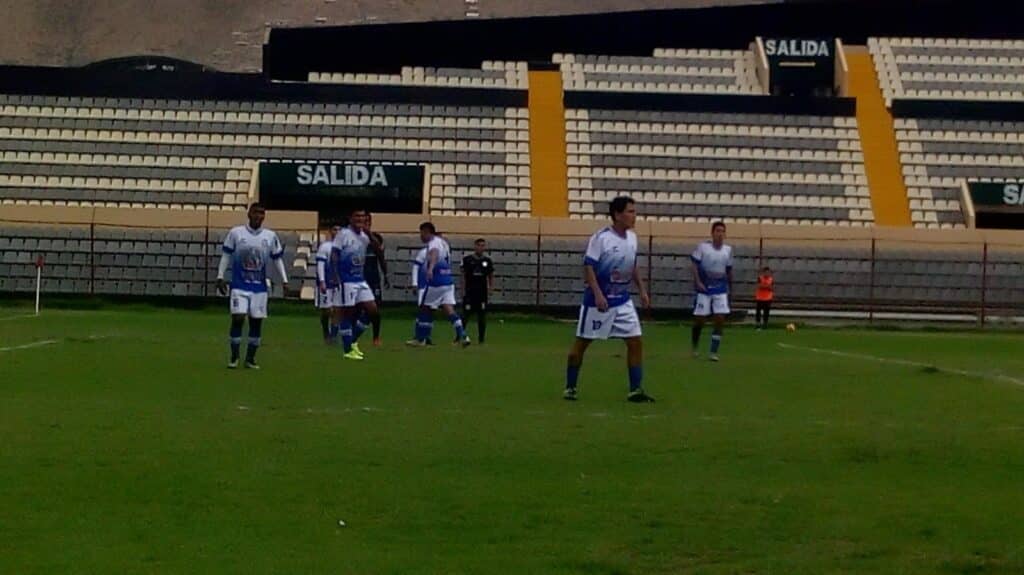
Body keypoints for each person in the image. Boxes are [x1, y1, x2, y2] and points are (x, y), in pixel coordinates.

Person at [564, 196, 654, 403]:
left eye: (634, 211)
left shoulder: (632, 238)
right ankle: (570, 386)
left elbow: (633, 265)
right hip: (599, 302)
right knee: (582, 344)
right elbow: (588, 266)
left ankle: (635, 389)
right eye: (630, 211)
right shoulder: (601, 238)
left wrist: (642, 290)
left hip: (622, 300)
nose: (634, 216)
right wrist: (597, 294)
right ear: (617, 214)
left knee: (635, 342)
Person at [216, 202, 288, 369]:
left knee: (256, 322)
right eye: (255, 212)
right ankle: (234, 357)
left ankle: (250, 359)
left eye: (262, 213)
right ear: (249, 214)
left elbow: (277, 259)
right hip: (239, 285)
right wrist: (220, 277)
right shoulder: (236, 233)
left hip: (259, 287)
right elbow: (226, 255)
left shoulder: (270, 236)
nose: (258, 216)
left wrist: (284, 280)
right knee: (238, 318)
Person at [405, 222, 470, 347]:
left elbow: (434, 254)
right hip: (448, 281)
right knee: (449, 309)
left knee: (425, 308)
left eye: (421, 233)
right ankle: (463, 335)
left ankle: (420, 339)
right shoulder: (444, 243)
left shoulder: (433, 243)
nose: (420, 236)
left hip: (436, 282)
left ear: (427, 231)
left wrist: (430, 269)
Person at [331, 208, 381, 361]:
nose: (360, 219)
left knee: (373, 310)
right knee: (348, 312)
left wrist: (369, 232)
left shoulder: (364, 236)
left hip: (360, 279)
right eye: (357, 216)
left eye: (362, 216)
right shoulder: (343, 234)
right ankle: (348, 349)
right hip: (347, 280)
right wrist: (335, 275)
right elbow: (335, 254)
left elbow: (378, 247)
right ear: (350, 218)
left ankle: (352, 340)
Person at [690, 221, 733, 362]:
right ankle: (694, 346)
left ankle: (713, 351)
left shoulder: (728, 250)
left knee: (720, 319)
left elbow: (729, 269)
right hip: (705, 288)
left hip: (720, 289)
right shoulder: (703, 247)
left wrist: (729, 287)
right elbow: (694, 265)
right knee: (700, 320)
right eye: (717, 231)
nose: (720, 234)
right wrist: (697, 282)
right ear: (712, 233)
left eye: (722, 231)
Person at [362, 212, 390, 346]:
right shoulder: (353, 239)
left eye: (368, 221)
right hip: (358, 278)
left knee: (375, 309)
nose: (366, 224)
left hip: (373, 277)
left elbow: (380, 256)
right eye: (363, 221)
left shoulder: (376, 237)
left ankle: (376, 337)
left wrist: (386, 275)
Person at [461, 238, 495, 344]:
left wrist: (491, 287)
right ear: (475, 246)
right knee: (465, 316)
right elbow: (463, 276)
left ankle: (481, 339)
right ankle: (460, 336)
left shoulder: (487, 261)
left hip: (482, 293)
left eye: (483, 246)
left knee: (482, 316)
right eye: (479, 245)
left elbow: (490, 275)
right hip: (470, 292)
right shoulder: (467, 259)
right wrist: (462, 289)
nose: (481, 248)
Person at [315, 225, 341, 343]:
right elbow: (320, 264)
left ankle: (333, 336)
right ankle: (326, 331)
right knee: (327, 311)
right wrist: (322, 281)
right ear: (331, 231)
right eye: (335, 229)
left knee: (337, 310)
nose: (337, 232)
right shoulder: (325, 247)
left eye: (340, 230)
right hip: (326, 283)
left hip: (338, 284)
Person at [755, 266, 774, 330]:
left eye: (768, 272)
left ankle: (765, 324)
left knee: (766, 312)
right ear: (763, 272)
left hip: (768, 298)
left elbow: (772, 288)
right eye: (766, 272)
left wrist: (765, 286)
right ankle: (758, 324)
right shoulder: (760, 278)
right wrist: (767, 286)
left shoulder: (771, 279)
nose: (767, 273)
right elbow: (759, 286)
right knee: (758, 312)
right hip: (760, 297)